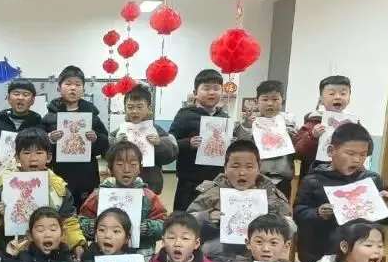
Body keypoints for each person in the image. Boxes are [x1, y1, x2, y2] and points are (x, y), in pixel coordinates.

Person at [293, 122, 388, 262]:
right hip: (321, 257)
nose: (357, 160)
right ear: (331, 151)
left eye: (363, 154)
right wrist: (318, 213)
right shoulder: (313, 180)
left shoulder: (372, 180)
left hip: (361, 258)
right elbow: (299, 214)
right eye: (350, 153)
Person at [187, 139, 295, 262]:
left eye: (249, 167)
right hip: (219, 257)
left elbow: (291, 227)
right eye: (235, 166)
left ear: (259, 168)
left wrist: (272, 219)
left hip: (263, 259)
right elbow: (185, 223)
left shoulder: (271, 194)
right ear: (225, 168)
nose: (242, 172)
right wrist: (206, 217)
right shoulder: (212, 192)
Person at [0, 128, 85, 256]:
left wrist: (77, 245)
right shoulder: (4, 186)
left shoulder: (59, 188)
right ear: (17, 157)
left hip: (50, 253)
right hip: (13, 253)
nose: (33, 158)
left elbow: (68, 222)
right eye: (26, 153)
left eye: (39, 152)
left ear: (48, 157)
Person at [78, 141, 167, 260]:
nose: (126, 169)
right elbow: (80, 221)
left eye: (133, 164)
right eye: (120, 164)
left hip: (140, 255)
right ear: (111, 168)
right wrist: (91, 226)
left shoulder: (148, 196)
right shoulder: (99, 195)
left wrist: (148, 227)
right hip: (104, 254)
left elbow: (164, 224)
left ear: (140, 168)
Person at [42, 65, 110, 209]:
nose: (73, 88)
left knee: (86, 210)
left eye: (78, 84)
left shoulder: (92, 116)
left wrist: (96, 139)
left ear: (83, 90)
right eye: (68, 84)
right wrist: (50, 139)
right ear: (59, 88)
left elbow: (105, 145)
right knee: (59, 210)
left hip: (86, 175)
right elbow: (39, 144)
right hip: (58, 174)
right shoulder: (49, 117)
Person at [168, 68, 230, 212]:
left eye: (216, 89)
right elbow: (170, 144)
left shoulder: (224, 118)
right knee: (185, 217)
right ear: (195, 93)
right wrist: (187, 143)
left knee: (213, 218)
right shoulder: (184, 115)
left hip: (216, 180)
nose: (211, 92)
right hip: (190, 181)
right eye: (206, 88)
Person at [231, 79, 298, 202]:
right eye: (265, 99)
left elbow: (298, 152)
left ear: (282, 101)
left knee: (280, 209)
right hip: (257, 178)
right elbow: (240, 145)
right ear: (257, 102)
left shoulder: (289, 123)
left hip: (283, 178)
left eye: (275, 99)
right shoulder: (251, 122)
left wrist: (295, 138)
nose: (270, 103)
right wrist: (247, 126)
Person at [109, 83, 178, 194]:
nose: (134, 111)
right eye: (130, 107)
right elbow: (107, 154)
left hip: (150, 185)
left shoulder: (156, 131)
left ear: (149, 109)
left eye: (139, 107)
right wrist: (114, 144)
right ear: (125, 109)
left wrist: (159, 143)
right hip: (123, 184)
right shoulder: (119, 132)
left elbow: (171, 155)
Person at [0, 78, 44, 177]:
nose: (21, 98)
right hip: (3, 176)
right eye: (16, 94)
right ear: (9, 99)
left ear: (32, 100)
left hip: (32, 176)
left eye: (25, 95)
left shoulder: (38, 125)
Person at [293, 75, 353, 177]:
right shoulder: (312, 123)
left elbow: (367, 149)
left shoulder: (353, 122)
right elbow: (298, 152)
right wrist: (312, 136)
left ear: (349, 99)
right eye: (331, 93)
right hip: (317, 175)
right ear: (321, 99)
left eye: (343, 93)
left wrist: (359, 136)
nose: (338, 97)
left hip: (345, 174)